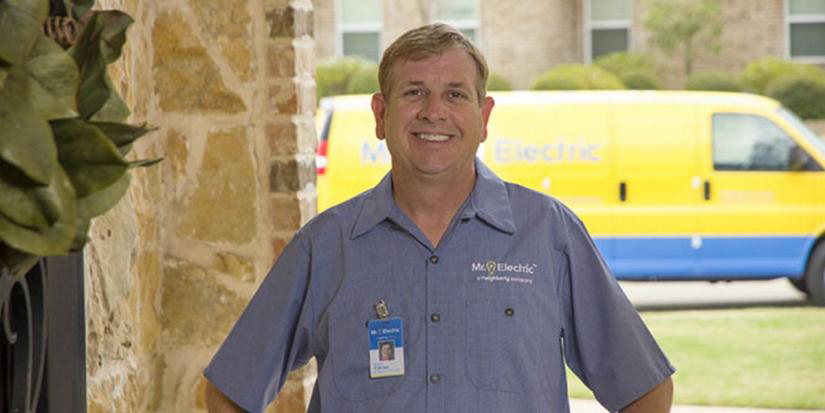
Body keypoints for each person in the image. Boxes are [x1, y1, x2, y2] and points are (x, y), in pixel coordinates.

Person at [205, 23, 675, 413]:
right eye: (414, 92)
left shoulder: (548, 233)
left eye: (455, 94)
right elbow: (229, 391)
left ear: (484, 116)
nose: (434, 112)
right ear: (381, 113)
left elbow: (645, 389)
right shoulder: (327, 245)